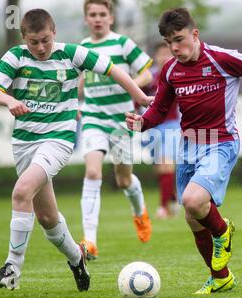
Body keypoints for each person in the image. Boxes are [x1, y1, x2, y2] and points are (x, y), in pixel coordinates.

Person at [0, 8, 152, 291]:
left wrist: (141, 97)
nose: (40, 48)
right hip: (24, 143)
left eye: (45, 40)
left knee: (21, 191)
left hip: (58, 140)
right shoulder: (15, 56)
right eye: (34, 42)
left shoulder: (72, 54)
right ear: (24, 38)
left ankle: (12, 268)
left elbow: (114, 70)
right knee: (48, 218)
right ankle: (77, 258)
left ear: (54, 33)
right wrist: (8, 100)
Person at [126, 8, 242, 294]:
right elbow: (160, 109)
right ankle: (221, 276)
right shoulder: (170, 70)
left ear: (195, 34)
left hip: (220, 141)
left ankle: (223, 232)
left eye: (179, 39)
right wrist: (142, 122)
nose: (174, 47)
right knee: (192, 215)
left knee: (191, 199)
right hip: (188, 145)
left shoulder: (221, 59)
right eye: (168, 41)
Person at [78, 0, 153, 260]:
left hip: (122, 121)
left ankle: (140, 211)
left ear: (110, 17)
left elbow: (148, 73)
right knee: (92, 171)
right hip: (92, 118)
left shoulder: (122, 44)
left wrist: (130, 84)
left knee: (123, 179)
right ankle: (90, 241)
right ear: (86, 19)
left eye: (102, 14)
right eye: (92, 15)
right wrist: (72, 102)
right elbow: (78, 83)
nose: (97, 19)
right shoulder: (82, 48)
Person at [143, 42, 181, 219]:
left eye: (168, 53)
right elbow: (138, 97)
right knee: (160, 168)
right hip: (153, 127)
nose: (164, 56)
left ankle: (163, 207)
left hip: (172, 125)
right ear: (155, 57)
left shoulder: (178, 74)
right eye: (161, 53)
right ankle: (172, 197)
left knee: (166, 164)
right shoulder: (149, 76)